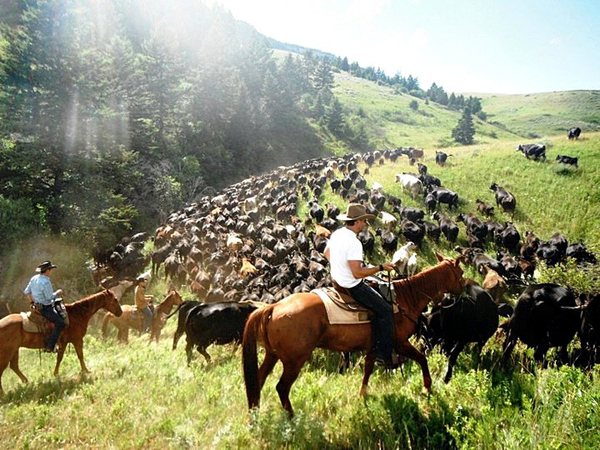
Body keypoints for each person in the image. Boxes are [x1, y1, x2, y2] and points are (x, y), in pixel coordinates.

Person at [324, 203, 399, 368]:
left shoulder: (337, 233)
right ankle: (383, 355)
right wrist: (380, 267)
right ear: (357, 222)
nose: (365, 224)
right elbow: (357, 273)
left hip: (336, 281)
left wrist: (338, 266)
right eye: (364, 221)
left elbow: (326, 253)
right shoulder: (354, 243)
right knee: (386, 310)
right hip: (352, 286)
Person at [23, 261, 65, 353]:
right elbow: (49, 297)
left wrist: (32, 302)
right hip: (45, 308)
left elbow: (27, 292)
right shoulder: (46, 281)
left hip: (36, 307)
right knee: (60, 323)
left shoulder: (34, 278)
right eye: (51, 270)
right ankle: (50, 346)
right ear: (48, 270)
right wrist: (58, 292)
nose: (51, 272)